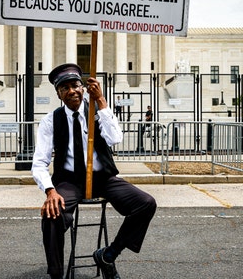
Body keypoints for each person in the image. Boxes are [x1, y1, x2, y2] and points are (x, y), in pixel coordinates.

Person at [32, 63, 157, 279]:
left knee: (145, 203)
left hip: (103, 178)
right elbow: (39, 163)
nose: (71, 91)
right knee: (52, 215)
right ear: (58, 94)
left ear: (83, 87)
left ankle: (108, 255)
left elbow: (116, 138)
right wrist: (50, 191)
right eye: (64, 88)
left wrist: (101, 101)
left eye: (75, 85)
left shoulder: (98, 110)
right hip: (69, 181)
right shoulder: (51, 121)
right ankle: (55, 275)